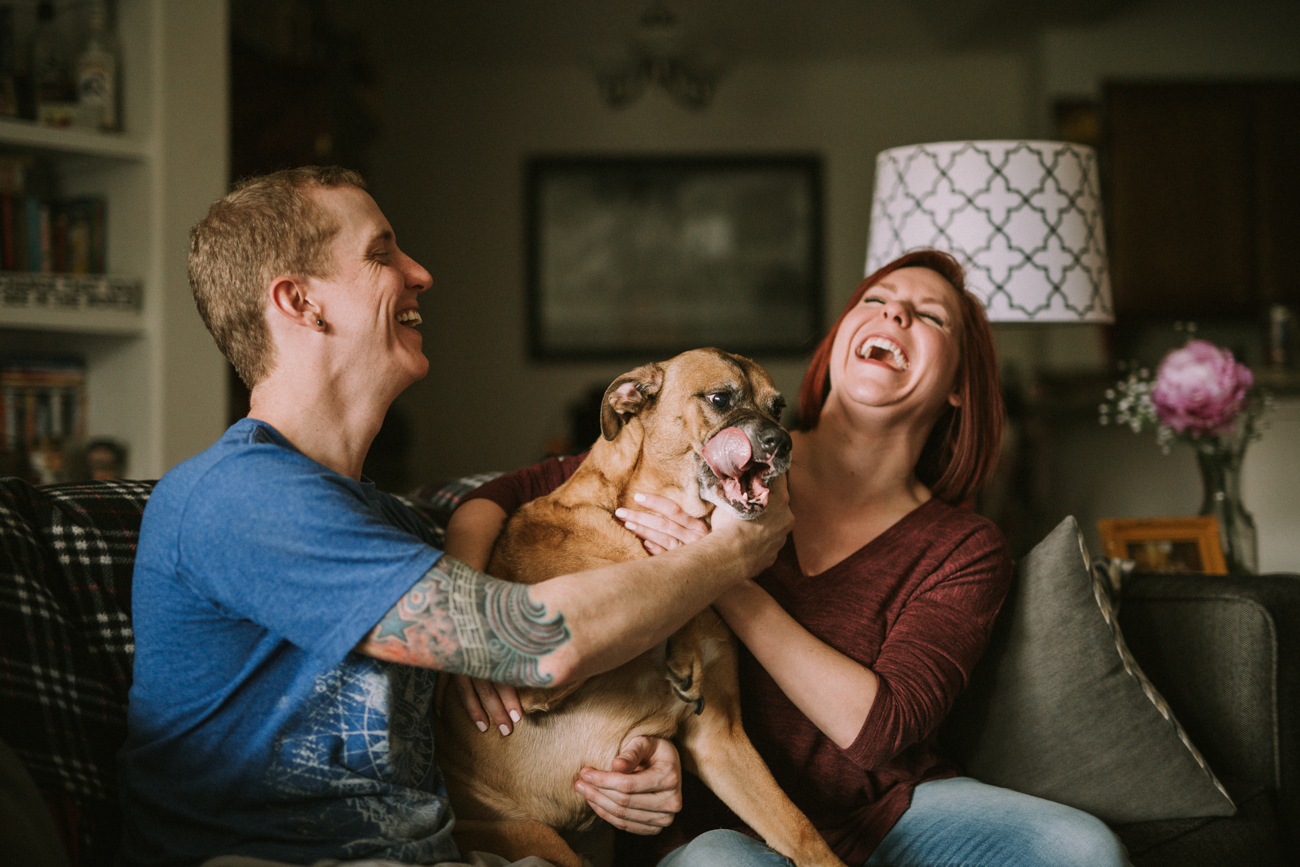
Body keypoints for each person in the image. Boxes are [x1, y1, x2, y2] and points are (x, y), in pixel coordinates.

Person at [116, 166, 793, 867]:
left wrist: (630, 757)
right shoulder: (239, 495)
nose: (422, 273)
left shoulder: (399, 529)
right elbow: (537, 641)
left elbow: (509, 716)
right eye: (382, 254)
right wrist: (730, 553)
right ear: (300, 302)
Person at [446, 250, 1132, 867]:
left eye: (929, 316)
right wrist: (470, 627)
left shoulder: (963, 546)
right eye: (876, 299)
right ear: (836, 346)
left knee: (1085, 849)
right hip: (721, 827)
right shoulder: (694, 466)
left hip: (891, 814)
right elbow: (501, 498)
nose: (895, 311)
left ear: (959, 384)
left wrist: (718, 568)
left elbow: (878, 729)